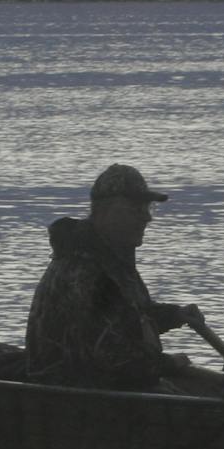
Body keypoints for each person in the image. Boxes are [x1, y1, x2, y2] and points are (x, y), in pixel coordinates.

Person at [24, 164, 199, 390]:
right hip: (74, 395)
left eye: (148, 208)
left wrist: (175, 315)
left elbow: (124, 316)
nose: (147, 217)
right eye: (136, 208)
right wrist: (168, 364)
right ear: (107, 211)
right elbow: (111, 355)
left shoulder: (112, 259)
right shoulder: (83, 270)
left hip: (107, 386)